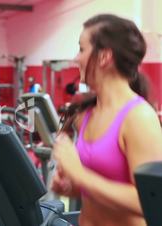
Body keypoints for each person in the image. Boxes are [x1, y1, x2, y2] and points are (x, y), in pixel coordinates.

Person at [51, 14, 162, 226]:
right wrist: (69, 186)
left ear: (104, 57)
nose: (76, 58)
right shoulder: (87, 114)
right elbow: (93, 191)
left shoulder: (138, 117)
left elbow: (149, 201)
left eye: (82, 49)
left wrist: (80, 175)